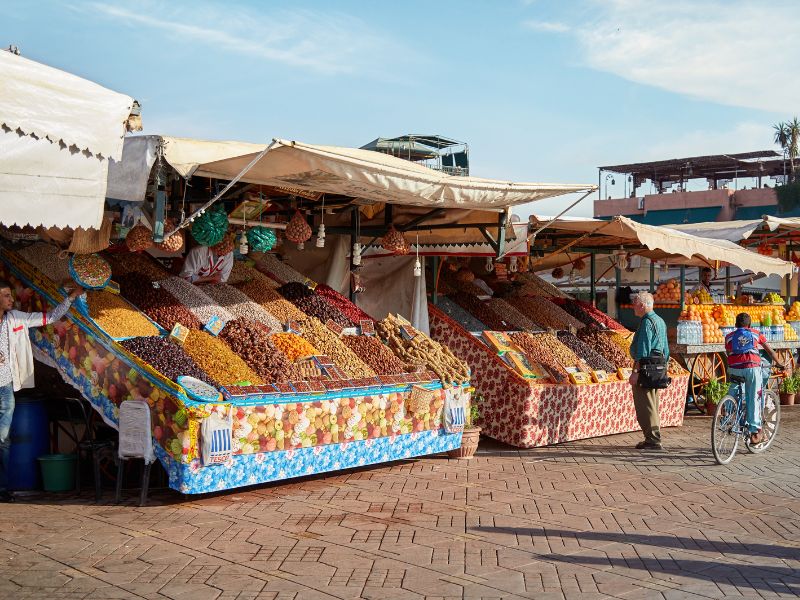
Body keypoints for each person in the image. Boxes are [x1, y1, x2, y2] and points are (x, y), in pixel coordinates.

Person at [0, 279, 83, 502]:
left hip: (6, 387)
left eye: (10, 295)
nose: (11, 299)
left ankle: (2, 488)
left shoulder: (17, 318)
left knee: (3, 439)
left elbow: (51, 317)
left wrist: (72, 297)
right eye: (6, 295)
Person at [725, 313, 784, 445]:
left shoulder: (729, 337)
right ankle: (755, 432)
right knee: (754, 397)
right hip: (752, 368)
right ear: (750, 325)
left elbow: (729, 352)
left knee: (733, 389)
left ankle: (727, 414)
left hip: (734, 369)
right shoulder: (756, 333)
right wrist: (779, 363)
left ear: (735, 325)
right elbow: (770, 351)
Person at [628, 291, 668, 450]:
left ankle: (652, 440)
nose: (633, 307)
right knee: (653, 403)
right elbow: (666, 348)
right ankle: (652, 437)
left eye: (635, 304)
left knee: (645, 406)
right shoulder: (660, 320)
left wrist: (636, 372)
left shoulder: (646, 323)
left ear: (642, 305)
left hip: (646, 368)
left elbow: (643, 351)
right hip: (657, 367)